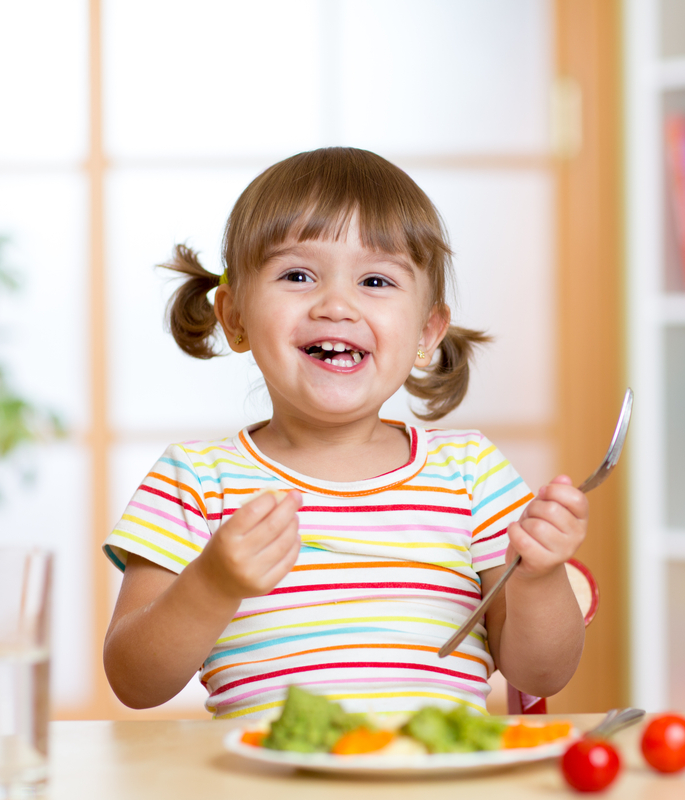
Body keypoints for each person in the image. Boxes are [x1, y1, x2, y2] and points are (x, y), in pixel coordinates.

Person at [102, 147, 587, 720]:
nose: (336, 305)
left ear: (429, 330)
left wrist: (539, 577)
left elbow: (541, 672)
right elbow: (134, 681)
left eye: (376, 280)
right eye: (297, 275)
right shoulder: (196, 479)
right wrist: (211, 583)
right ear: (234, 317)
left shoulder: (471, 472)